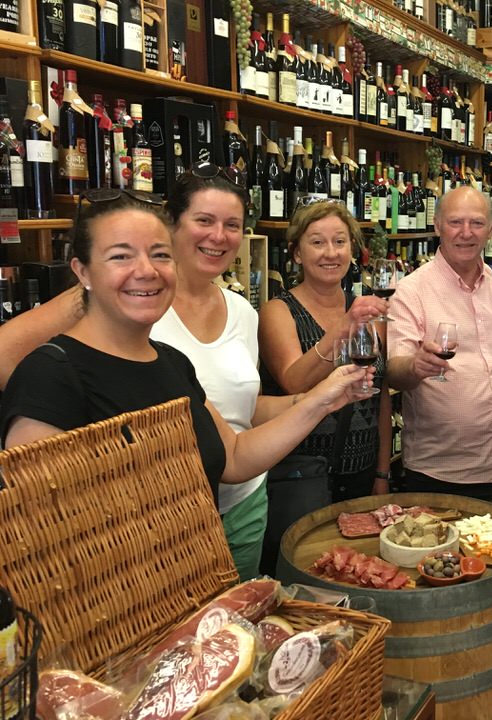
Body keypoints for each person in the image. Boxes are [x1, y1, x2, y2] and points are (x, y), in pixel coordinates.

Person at [0, 168, 353, 581]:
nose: (146, 271)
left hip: (201, 553)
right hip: (115, 594)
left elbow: (234, 456)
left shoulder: (172, 360)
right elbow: (41, 538)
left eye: (159, 255)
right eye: (120, 256)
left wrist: (323, 398)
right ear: (82, 271)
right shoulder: (53, 372)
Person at [257, 199, 391, 575]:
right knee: (305, 578)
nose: (330, 253)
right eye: (317, 242)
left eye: (340, 241)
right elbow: (293, 380)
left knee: (359, 580)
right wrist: (344, 327)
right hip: (304, 475)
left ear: (353, 249)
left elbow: (380, 396)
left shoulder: (367, 312)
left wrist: (382, 474)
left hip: (362, 476)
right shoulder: (278, 311)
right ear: (297, 253)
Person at [386, 184, 492, 494]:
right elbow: (394, 369)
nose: (466, 232)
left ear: (491, 229)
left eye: (476, 223)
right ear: (437, 226)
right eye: (455, 222)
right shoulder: (411, 290)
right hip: (440, 469)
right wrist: (416, 365)